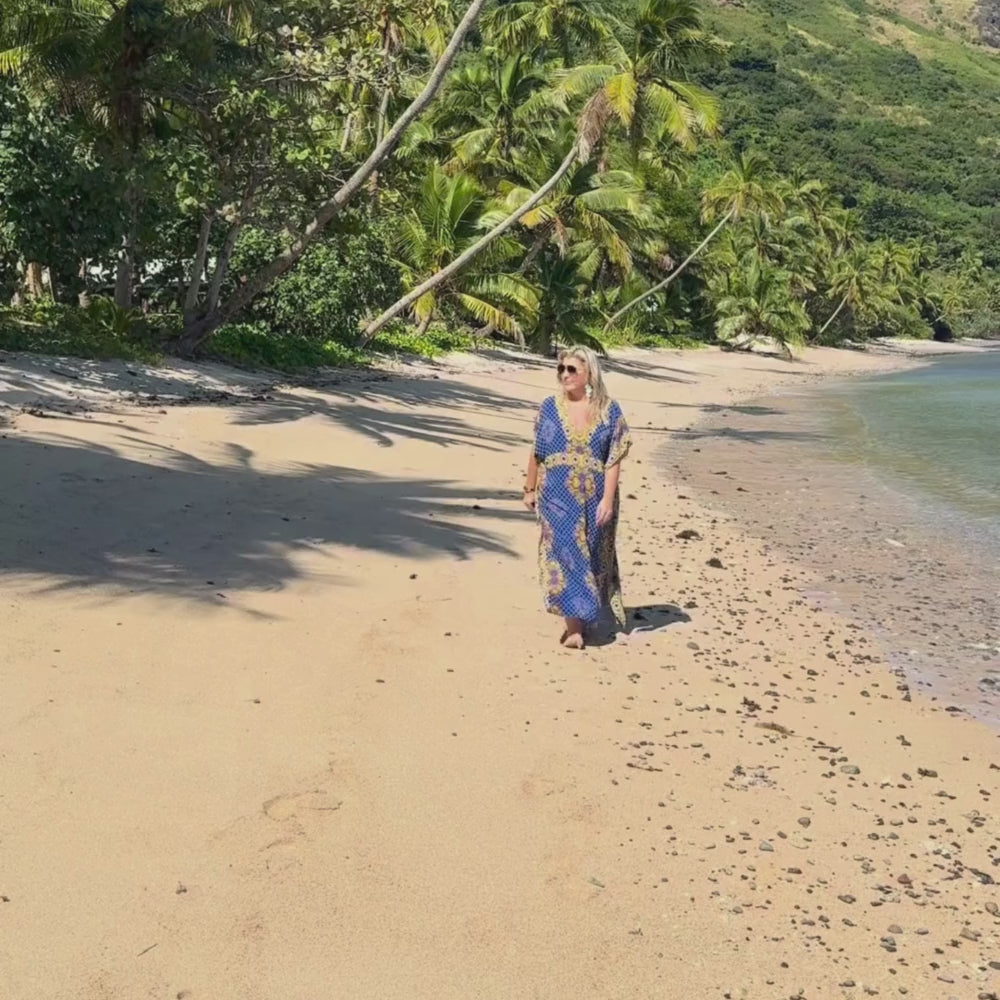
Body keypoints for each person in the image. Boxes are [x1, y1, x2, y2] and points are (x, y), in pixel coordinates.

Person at [522, 346, 632, 649]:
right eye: (562, 370)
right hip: (555, 494)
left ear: (589, 374)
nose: (565, 375)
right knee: (566, 553)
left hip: (596, 494)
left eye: (572, 370)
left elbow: (614, 458)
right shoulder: (549, 406)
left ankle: (585, 615)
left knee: (593, 553)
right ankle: (574, 628)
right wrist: (529, 488)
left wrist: (608, 500)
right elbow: (537, 451)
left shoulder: (609, 410)